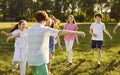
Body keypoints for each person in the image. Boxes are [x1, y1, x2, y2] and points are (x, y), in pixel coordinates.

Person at [7, 11, 85, 75]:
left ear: (36, 19)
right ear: (45, 20)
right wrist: (77, 32)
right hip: (40, 60)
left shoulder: (29, 29)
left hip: (31, 60)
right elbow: (61, 32)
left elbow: (20, 34)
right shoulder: (45, 29)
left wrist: (11, 37)